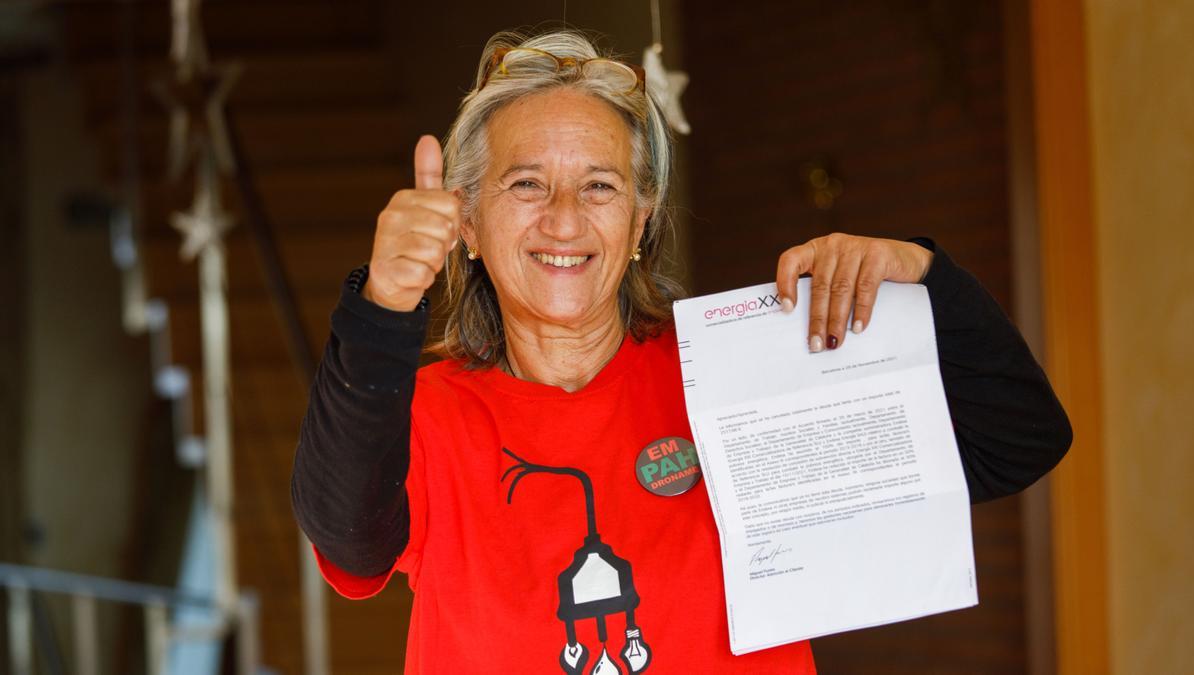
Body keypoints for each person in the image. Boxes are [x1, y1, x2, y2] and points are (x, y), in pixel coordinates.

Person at [291, 29, 1071, 674]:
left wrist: (926, 277)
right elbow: (347, 536)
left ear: (640, 222)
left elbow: (1019, 440)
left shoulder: (745, 374)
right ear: (465, 223)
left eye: (599, 187)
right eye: (526, 184)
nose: (564, 220)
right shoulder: (431, 410)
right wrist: (383, 305)